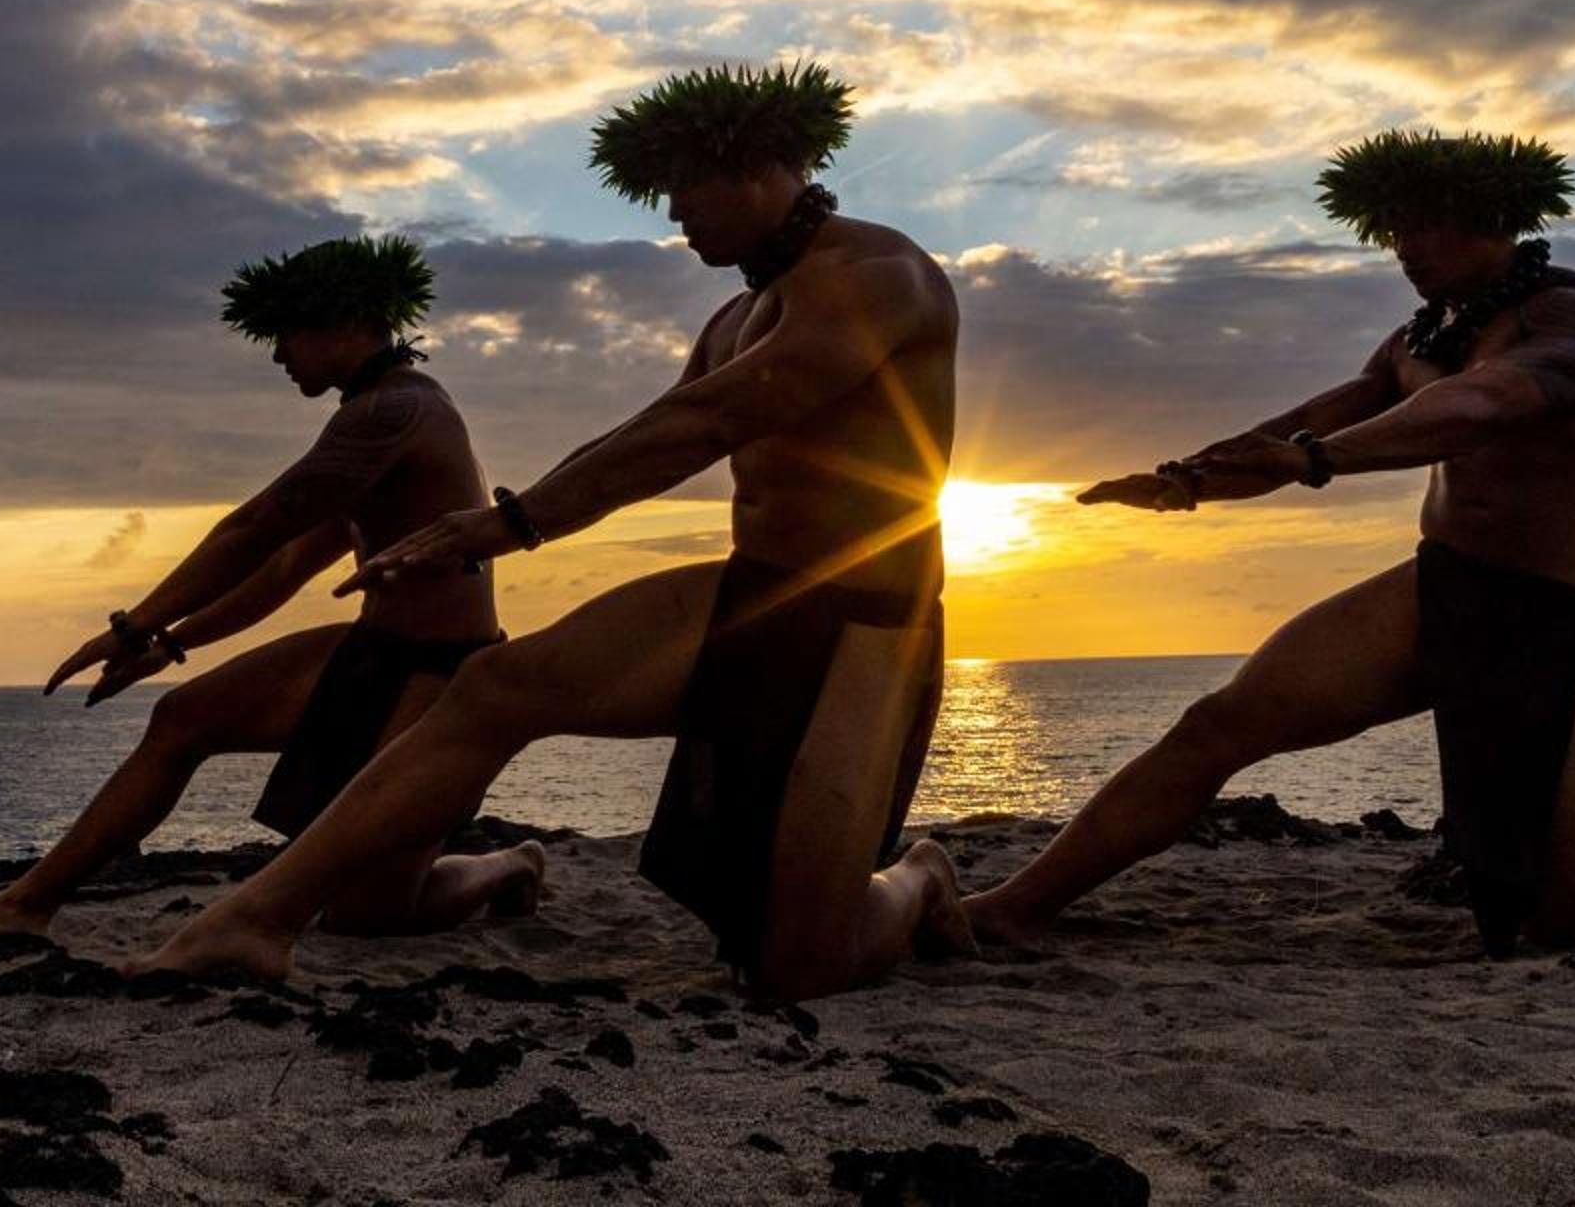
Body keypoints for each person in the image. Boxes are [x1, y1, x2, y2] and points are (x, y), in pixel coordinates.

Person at [137, 62, 970, 1001]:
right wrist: (505, 512)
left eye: (685, 186)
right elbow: (646, 429)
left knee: (800, 968)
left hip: (866, 619)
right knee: (496, 686)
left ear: (761, 166)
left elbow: (706, 424)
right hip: (750, 588)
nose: (673, 213)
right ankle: (254, 919)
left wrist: (514, 523)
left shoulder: (877, 278)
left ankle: (918, 876)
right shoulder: (736, 313)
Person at [966, 130, 1575, 955]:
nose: (1404, 249)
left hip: (1565, 614)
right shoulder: (1416, 341)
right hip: (1439, 589)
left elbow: (1489, 404)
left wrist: (1313, 461)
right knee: (1217, 726)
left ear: (1494, 218)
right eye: (1393, 231)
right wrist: (1189, 479)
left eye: (1423, 227)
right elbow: (1313, 421)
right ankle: (1015, 905)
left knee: (1570, 924)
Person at [0, 234, 543, 950]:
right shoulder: (373, 413)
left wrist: (132, 626)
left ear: (347, 322)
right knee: (182, 718)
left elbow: (255, 526)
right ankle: (25, 905)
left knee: (370, 918)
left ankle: (511, 863)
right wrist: (172, 642)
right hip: (371, 652)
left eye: (288, 333)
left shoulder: (394, 412)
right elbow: (284, 566)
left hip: (438, 677)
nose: (278, 356)